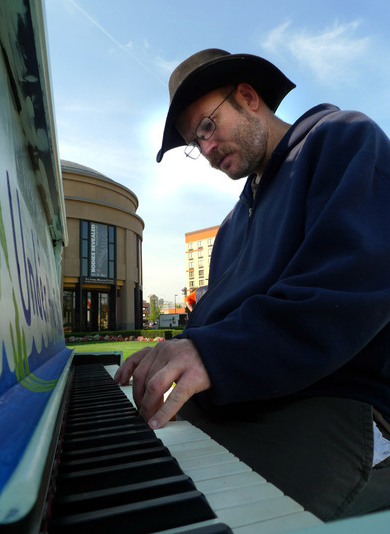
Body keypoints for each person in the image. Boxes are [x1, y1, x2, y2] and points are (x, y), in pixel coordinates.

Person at [115, 48, 390, 521]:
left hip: (337, 404)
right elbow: (214, 324)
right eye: (194, 142)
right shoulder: (230, 226)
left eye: (207, 126)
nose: (205, 149)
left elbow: (348, 287)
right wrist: (179, 349)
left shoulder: (343, 139)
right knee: (130, 473)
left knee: (200, 516)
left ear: (247, 97)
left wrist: (212, 353)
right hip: (243, 399)